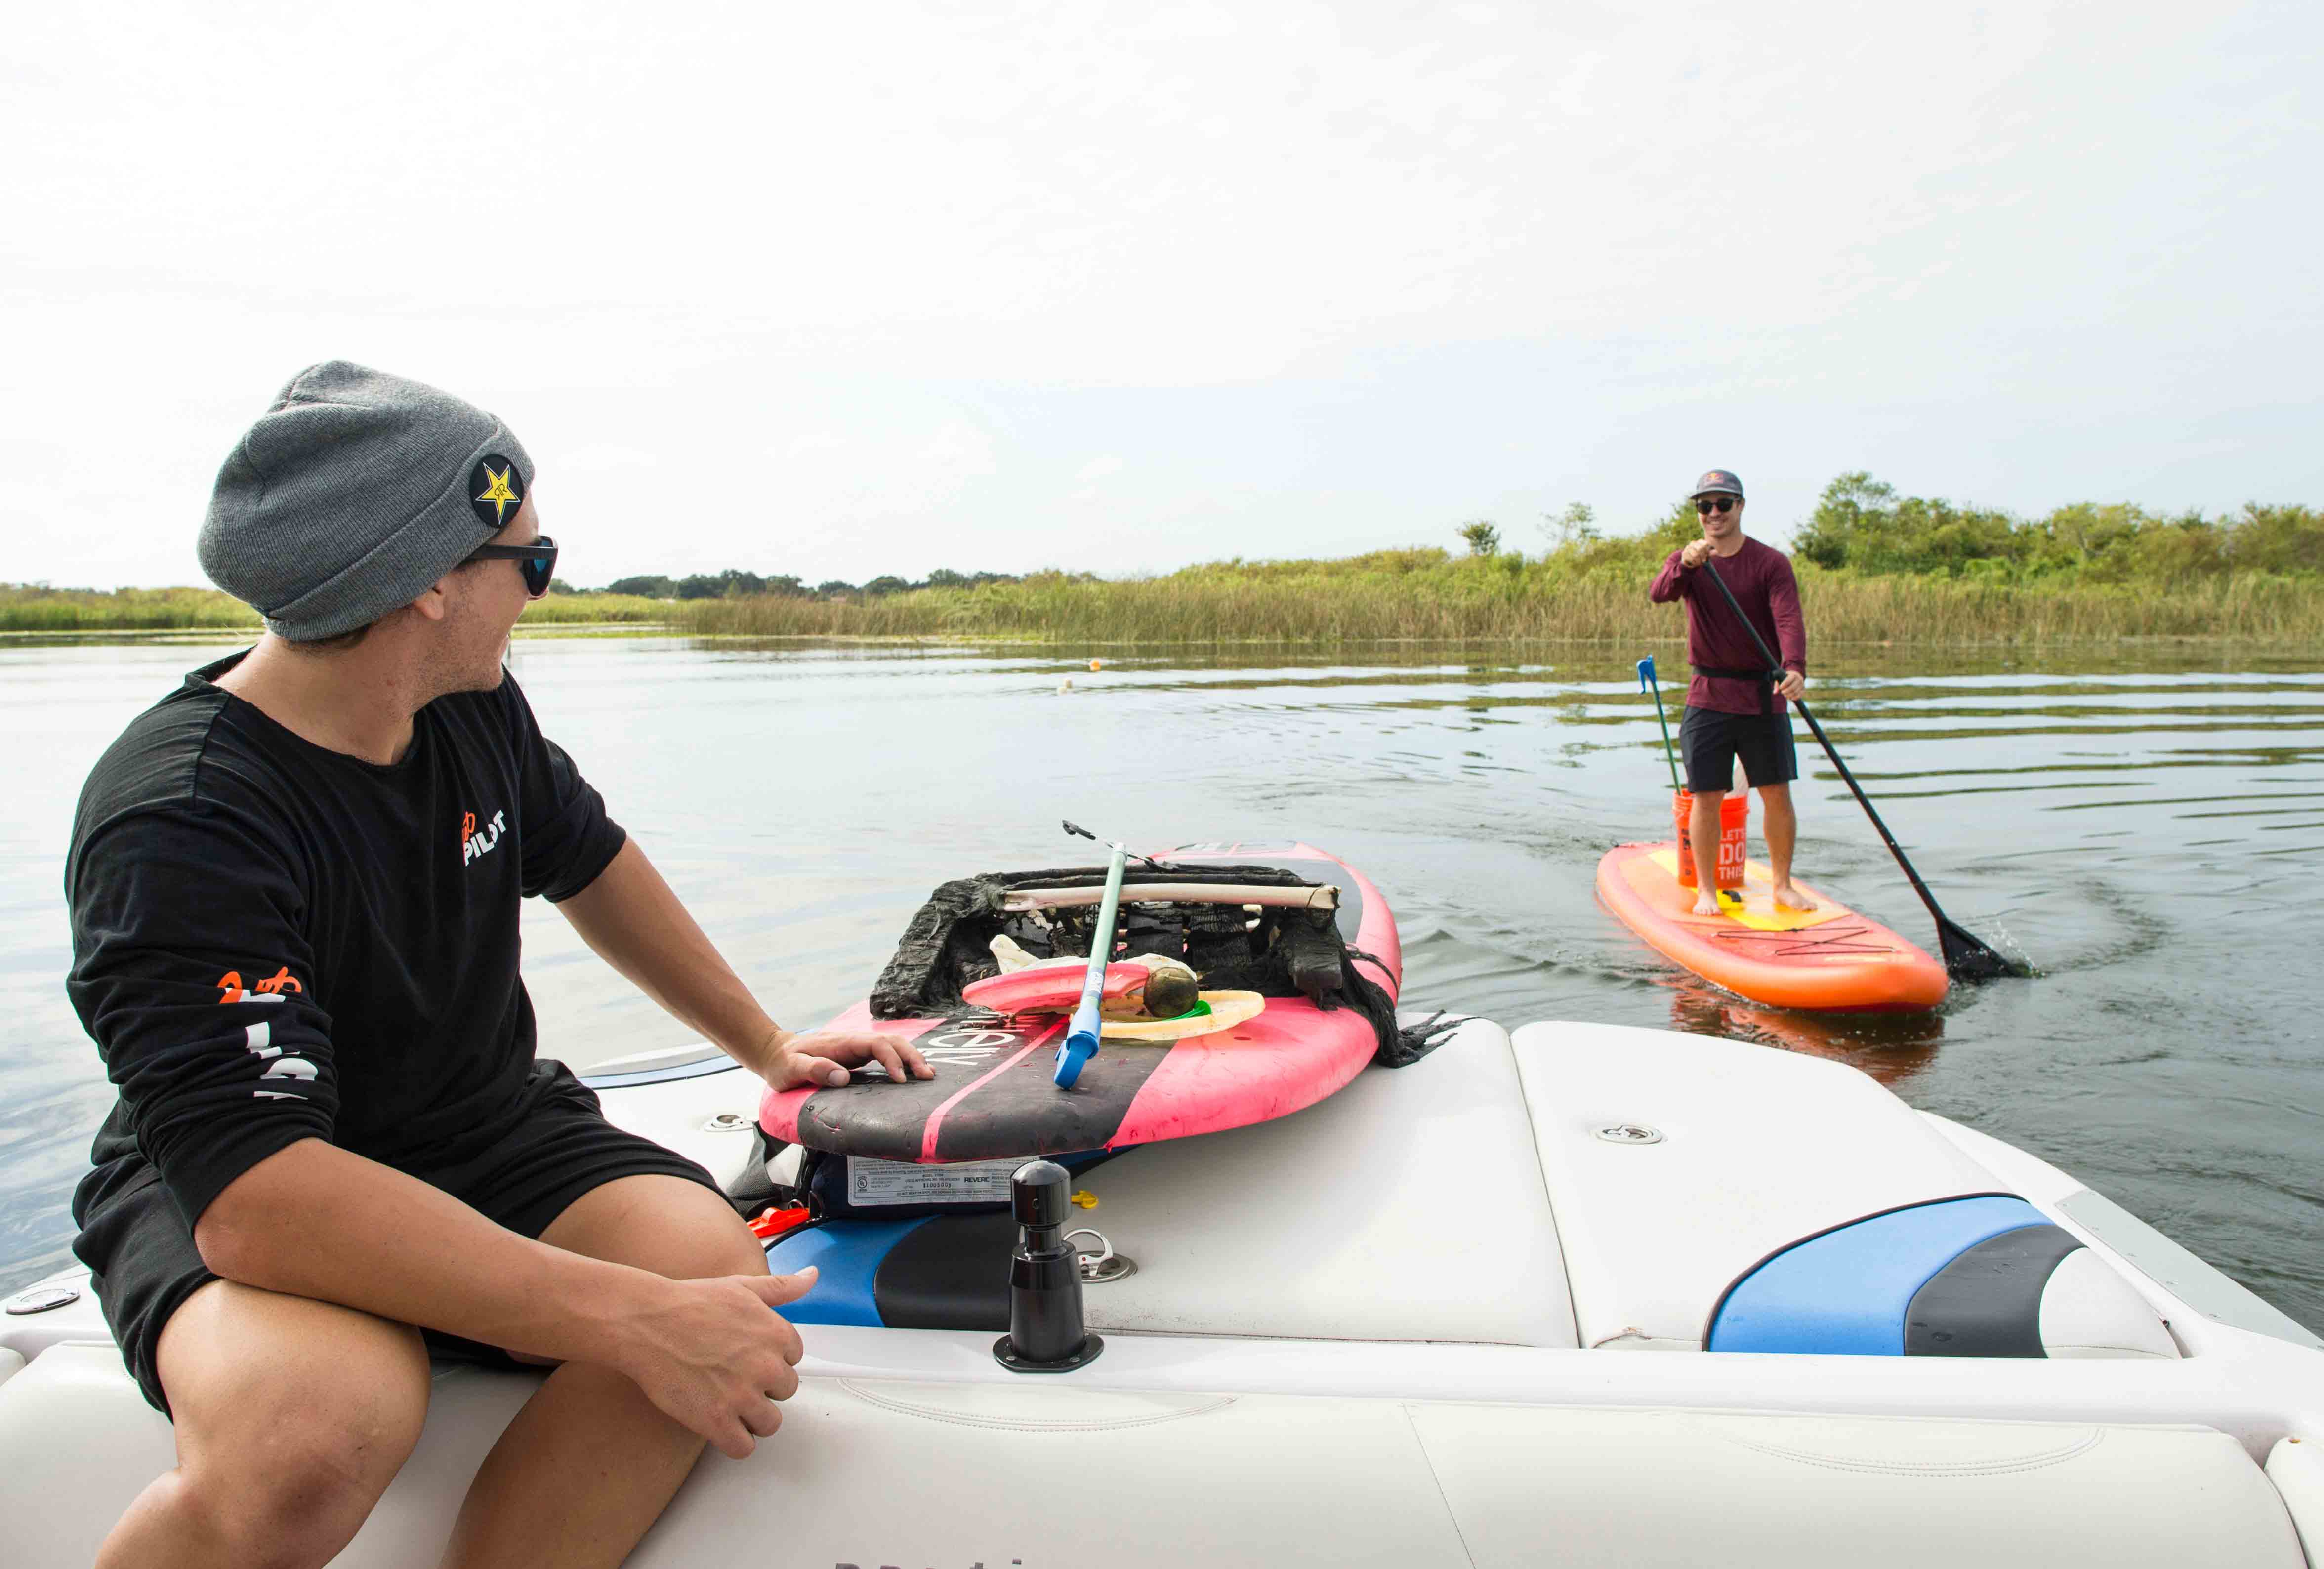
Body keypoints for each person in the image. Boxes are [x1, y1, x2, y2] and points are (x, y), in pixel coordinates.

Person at [64, 362, 934, 1569]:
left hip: (476, 1125)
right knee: (316, 1429)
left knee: (713, 1277)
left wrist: (765, 1044)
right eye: (533, 560)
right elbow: (258, 1199)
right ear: (428, 582)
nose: (538, 591)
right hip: (241, 1169)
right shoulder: (184, 816)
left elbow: (589, 858)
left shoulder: (468, 705)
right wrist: (628, 1318)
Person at [1647, 468, 1815, 916]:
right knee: (1707, 796)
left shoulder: (1770, 563)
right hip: (1707, 696)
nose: (1714, 513)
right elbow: (1660, 594)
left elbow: (1788, 619)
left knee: (1776, 792)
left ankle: (1782, 886)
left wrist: (1794, 668)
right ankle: (1707, 891)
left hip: (1763, 695)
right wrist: (1686, 564)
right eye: (1705, 506)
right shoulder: (1686, 560)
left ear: (1740, 506)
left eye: (1723, 504)